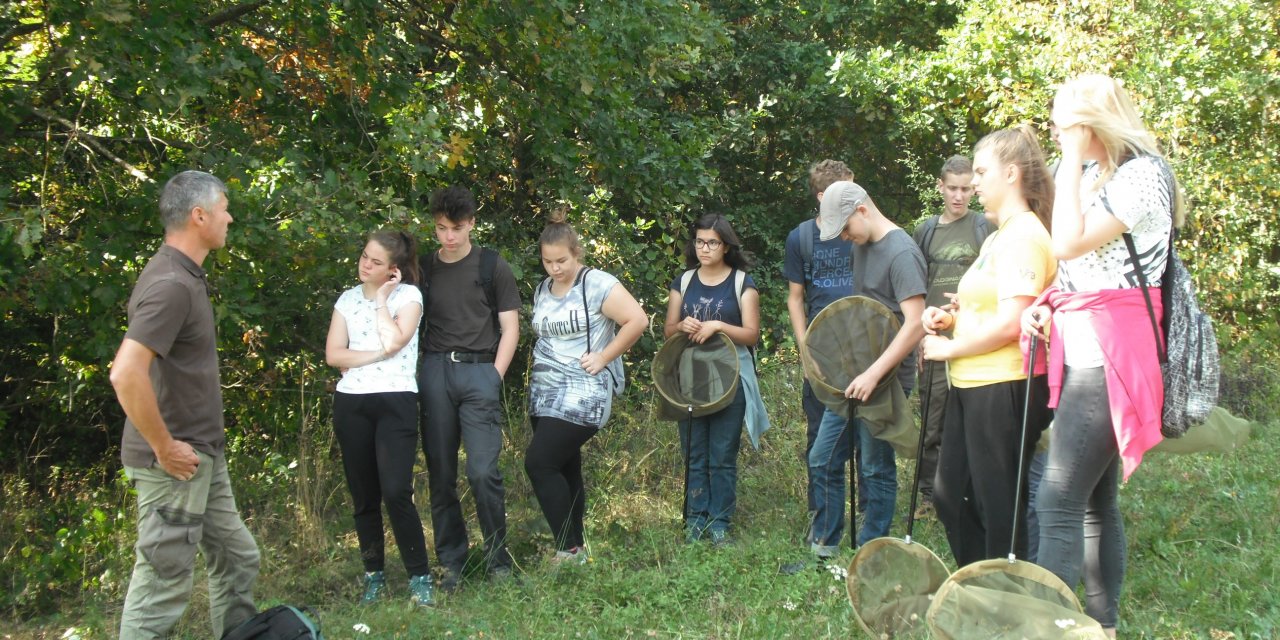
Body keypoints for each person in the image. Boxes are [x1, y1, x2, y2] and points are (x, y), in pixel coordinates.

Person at [1021, 74, 1178, 636]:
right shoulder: (1095, 174)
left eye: (1066, 126)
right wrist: (1046, 303)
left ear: (1092, 123)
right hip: (1085, 343)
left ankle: (1052, 629)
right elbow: (1076, 267)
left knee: (1058, 497)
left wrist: (1066, 163)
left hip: (1113, 355)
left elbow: (1067, 242)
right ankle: (1101, 629)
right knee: (1092, 502)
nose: (1060, 135)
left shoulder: (1143, 176)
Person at [110, 171, 260, 638]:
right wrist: (164, 447)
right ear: (199, 216)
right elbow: (125, 371)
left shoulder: (187, 276)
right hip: (174, 464)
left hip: (204, 456)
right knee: (162, 585)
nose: (229, 217)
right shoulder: (171, 284)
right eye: (224, 208)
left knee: (237, 559)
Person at [920, 127, 1055, 566]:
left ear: (1011, 174)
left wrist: (948, 350)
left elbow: (1014, 322)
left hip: (1005, 383)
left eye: (981, 172)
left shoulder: (1024, 236)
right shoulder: (998, 236)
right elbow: (989, 305)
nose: (974, 182)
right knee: (949, 496)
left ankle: (1006, 598)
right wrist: (951, 318)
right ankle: (979, 584)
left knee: (998, 507)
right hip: (972, 383)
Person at [812, 181, 926, 555]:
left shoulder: (902, 253)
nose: (845, 238)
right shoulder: (862, 246)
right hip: (854, 374)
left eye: (845, 228)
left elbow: (915, 323)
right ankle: (825, 548)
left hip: (886, 379)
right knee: (822, 457)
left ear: (862, 209)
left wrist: (874, 374)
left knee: (875, 466)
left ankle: (870, 554)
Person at [524, 214, 647, 564]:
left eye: (561, 260)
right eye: (547, 261)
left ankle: (566, 548)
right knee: (564, 467)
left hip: (584, 390)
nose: (554, 268)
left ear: (576, 252)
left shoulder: (597, 283)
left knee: (539, 462)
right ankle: (577, 549)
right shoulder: (542, 289)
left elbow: (637, 319)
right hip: (545, 392)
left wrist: (604, 356)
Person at [418, 185, 521, 591]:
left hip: (480, 372)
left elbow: (510, 327)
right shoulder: (423, 268)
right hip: (435, 372)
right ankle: (452, 562)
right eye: (441, 228)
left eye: (456, 228)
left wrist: (494, 375)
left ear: (472, 224)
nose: (449, 237)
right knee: (441, 472)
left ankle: (498, 560)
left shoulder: (492, 266)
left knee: (481, 471)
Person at [324, 230, 434, 606]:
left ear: (393, 270)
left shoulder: (409, 297)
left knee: (396, 491)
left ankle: (420, 576)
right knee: (364, 495)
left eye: (375, 262)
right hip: (351, 403)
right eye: (364, 256)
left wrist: (383, 301)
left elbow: (397, 341)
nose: (364, 264)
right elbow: (334, 355)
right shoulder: (346, 299)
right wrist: (374, 355)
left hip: (396, 401)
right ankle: (374, 575)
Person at [663, 213, 762, 547]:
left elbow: (751, 334)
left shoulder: (741, 283)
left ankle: (720, 522)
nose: (704, 248)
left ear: (726, 246)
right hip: (689, 378)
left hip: (730, 379)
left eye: (712, 243)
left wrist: (718, 326)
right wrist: (682, 327)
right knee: (694, 452)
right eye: (700, 241)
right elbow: (668, 331)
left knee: (722, 454)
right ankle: (695, 519)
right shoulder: (684, 281)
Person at [782, 160, 861, 547]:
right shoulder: (801, 238)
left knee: (866, 435)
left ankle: (864, 516)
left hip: (864, 349)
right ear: (822, 198)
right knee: (819, 437)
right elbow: (795, 298)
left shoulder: (861, 231)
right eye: (846, 193)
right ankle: (822, 516)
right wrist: (804, 348)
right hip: (821, 355)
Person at [911, 155, 991, 513]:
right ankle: (930, 495)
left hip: (976, 338)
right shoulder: (925, 230)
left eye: (966, 189)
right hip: (933, 339)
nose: (959, 196)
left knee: (976, 421)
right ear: (940, 187)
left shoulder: (985, 227)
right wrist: (916, 338)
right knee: (931, 420)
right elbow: (914, 289)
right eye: (953, 188)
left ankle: (972, 493)